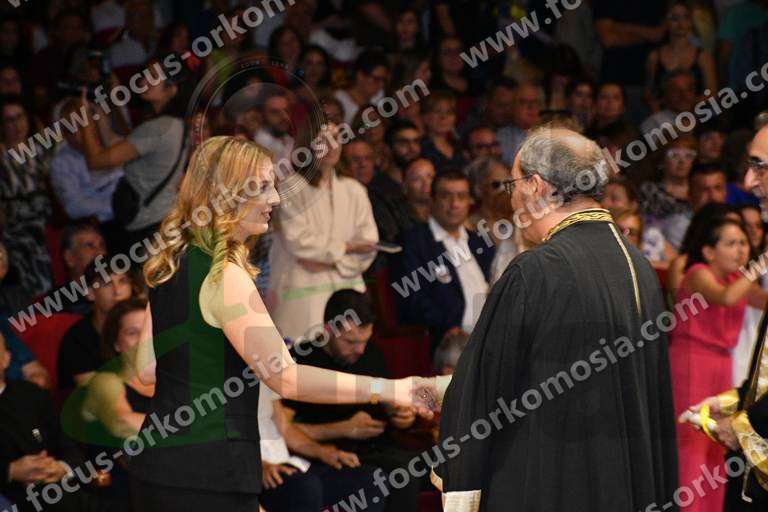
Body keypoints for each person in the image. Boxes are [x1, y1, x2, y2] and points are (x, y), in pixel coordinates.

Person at [129, 135, 431, 511]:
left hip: (158, 466)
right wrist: (391, 389)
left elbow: (146, 372)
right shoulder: (225, 275)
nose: (275, 198)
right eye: (261, 187)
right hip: (211, 472)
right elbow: (285, 378)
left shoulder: (171, 263)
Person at [431, 126, 678, 510]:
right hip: (619, 483)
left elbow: (483, 388)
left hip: (549, 483)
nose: (512, 198)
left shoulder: (535, 270)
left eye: (513, 184)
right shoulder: (637, 265)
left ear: (536, 186)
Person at [283, 289, 424, 512]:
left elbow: (388, 407)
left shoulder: (372, 353)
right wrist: (344, 429)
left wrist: (401, 416)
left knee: (448, 465)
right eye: (350, 342)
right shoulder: (301, 360)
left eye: (365, 341)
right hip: (334, 454)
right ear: (328, 330)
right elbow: (282, 429)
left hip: (383, 447)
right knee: (403, 472)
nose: (359, 350)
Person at [670, 217, 767, 512]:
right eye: (731, 243)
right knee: (692, 444)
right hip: (693, 361)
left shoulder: (737, 279)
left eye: (743, 243)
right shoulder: (698, 273)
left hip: (722, 363)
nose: (740, 250)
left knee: (717, 448)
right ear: (709, 251)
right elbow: (726, 298)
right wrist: (759, 265)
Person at [269, 124, 379, 340]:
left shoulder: (355, 190)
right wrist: (346, 249)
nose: (331, 146)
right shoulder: (291, 187)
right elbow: (297, 241)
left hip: (347, 288)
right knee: (304, 353)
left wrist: (331, 261)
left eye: (336, 139)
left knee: (348, 349)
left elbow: (368, 244)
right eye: (322, 140)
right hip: (302, 289)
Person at [79, 55, 193, 257]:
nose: (143, 80)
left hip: (147, 226)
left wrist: (84, 119)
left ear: (171, 89)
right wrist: (100, 110)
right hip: (162, 222)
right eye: (145, 74)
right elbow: (117, 144)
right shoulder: (176, 125)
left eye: (153, 76)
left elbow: (96, 161)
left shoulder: (159, 127)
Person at [0, 330, 104, 512]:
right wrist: (10, 470)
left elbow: (68, 446)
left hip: (57, 490)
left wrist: (61, 468)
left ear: (6, 359)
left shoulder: (32, 394)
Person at [396, 171, 494, 347]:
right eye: (446, 196)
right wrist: (447, 327)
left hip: (490, 336)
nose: (454, 204)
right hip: (447, 340)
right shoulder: (414, 242)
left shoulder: (480, 242)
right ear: (432, 200)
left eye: (461, 196)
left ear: (469, 201)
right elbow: (412, 298)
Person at [80, 298, 152, 500]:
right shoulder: (104, 381)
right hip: (118, 494)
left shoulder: (173, 380)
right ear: (116, 344)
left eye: (148, 330)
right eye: (133, 333)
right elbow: (123, 422)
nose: (143, 340)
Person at [0, 97, 55, 297]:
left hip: (46, 224)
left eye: (20, 117)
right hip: (15, 231)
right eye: (9, 120)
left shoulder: (43, 150)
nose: (16, 124)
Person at [57, 258, 133, 390]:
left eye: (123, 281)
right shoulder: (77, 338)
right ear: (91, 293)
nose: (117, 291)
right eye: (107, 284)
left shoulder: (145, 326)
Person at [50, 99, 124, 224]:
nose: (77, 135)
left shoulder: (118, 144)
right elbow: (73, 206)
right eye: (70, 130)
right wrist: (115, 208)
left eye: (81, 126)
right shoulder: (61, 163)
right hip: (105, 222)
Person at [644, 1, 717, 108]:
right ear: (665, 22)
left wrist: (687, 105)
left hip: (696, 114)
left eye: (685, 17)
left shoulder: (703, 57)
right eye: (674, 18)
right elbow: (648, 92)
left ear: (691, 21)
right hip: (664, 114)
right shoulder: (654, 56)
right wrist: (657, 106)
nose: (680, 23)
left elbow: (712, 93)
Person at [333, 50, 390, 125]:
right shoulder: (338, 98)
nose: (381, 84)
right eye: (376, 79)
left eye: (384, 80)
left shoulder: (379, 99)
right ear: (360, 76)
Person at [420, 90, 466, 173]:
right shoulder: (420, 147)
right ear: (425, 117)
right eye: (437, 111)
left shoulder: (459, 146)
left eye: (449, 112)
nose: (443, 117)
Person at [497, 83, 542, 165]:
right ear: (513, 106)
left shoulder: (550, 135)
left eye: (535, 102)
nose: (531, 107)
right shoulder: (500, 138)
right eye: (523, 102)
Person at [402, 157, 435, 224]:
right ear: (405, 186)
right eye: (417, 179)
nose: (425, 183)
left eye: (430, 177)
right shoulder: (399, 218)